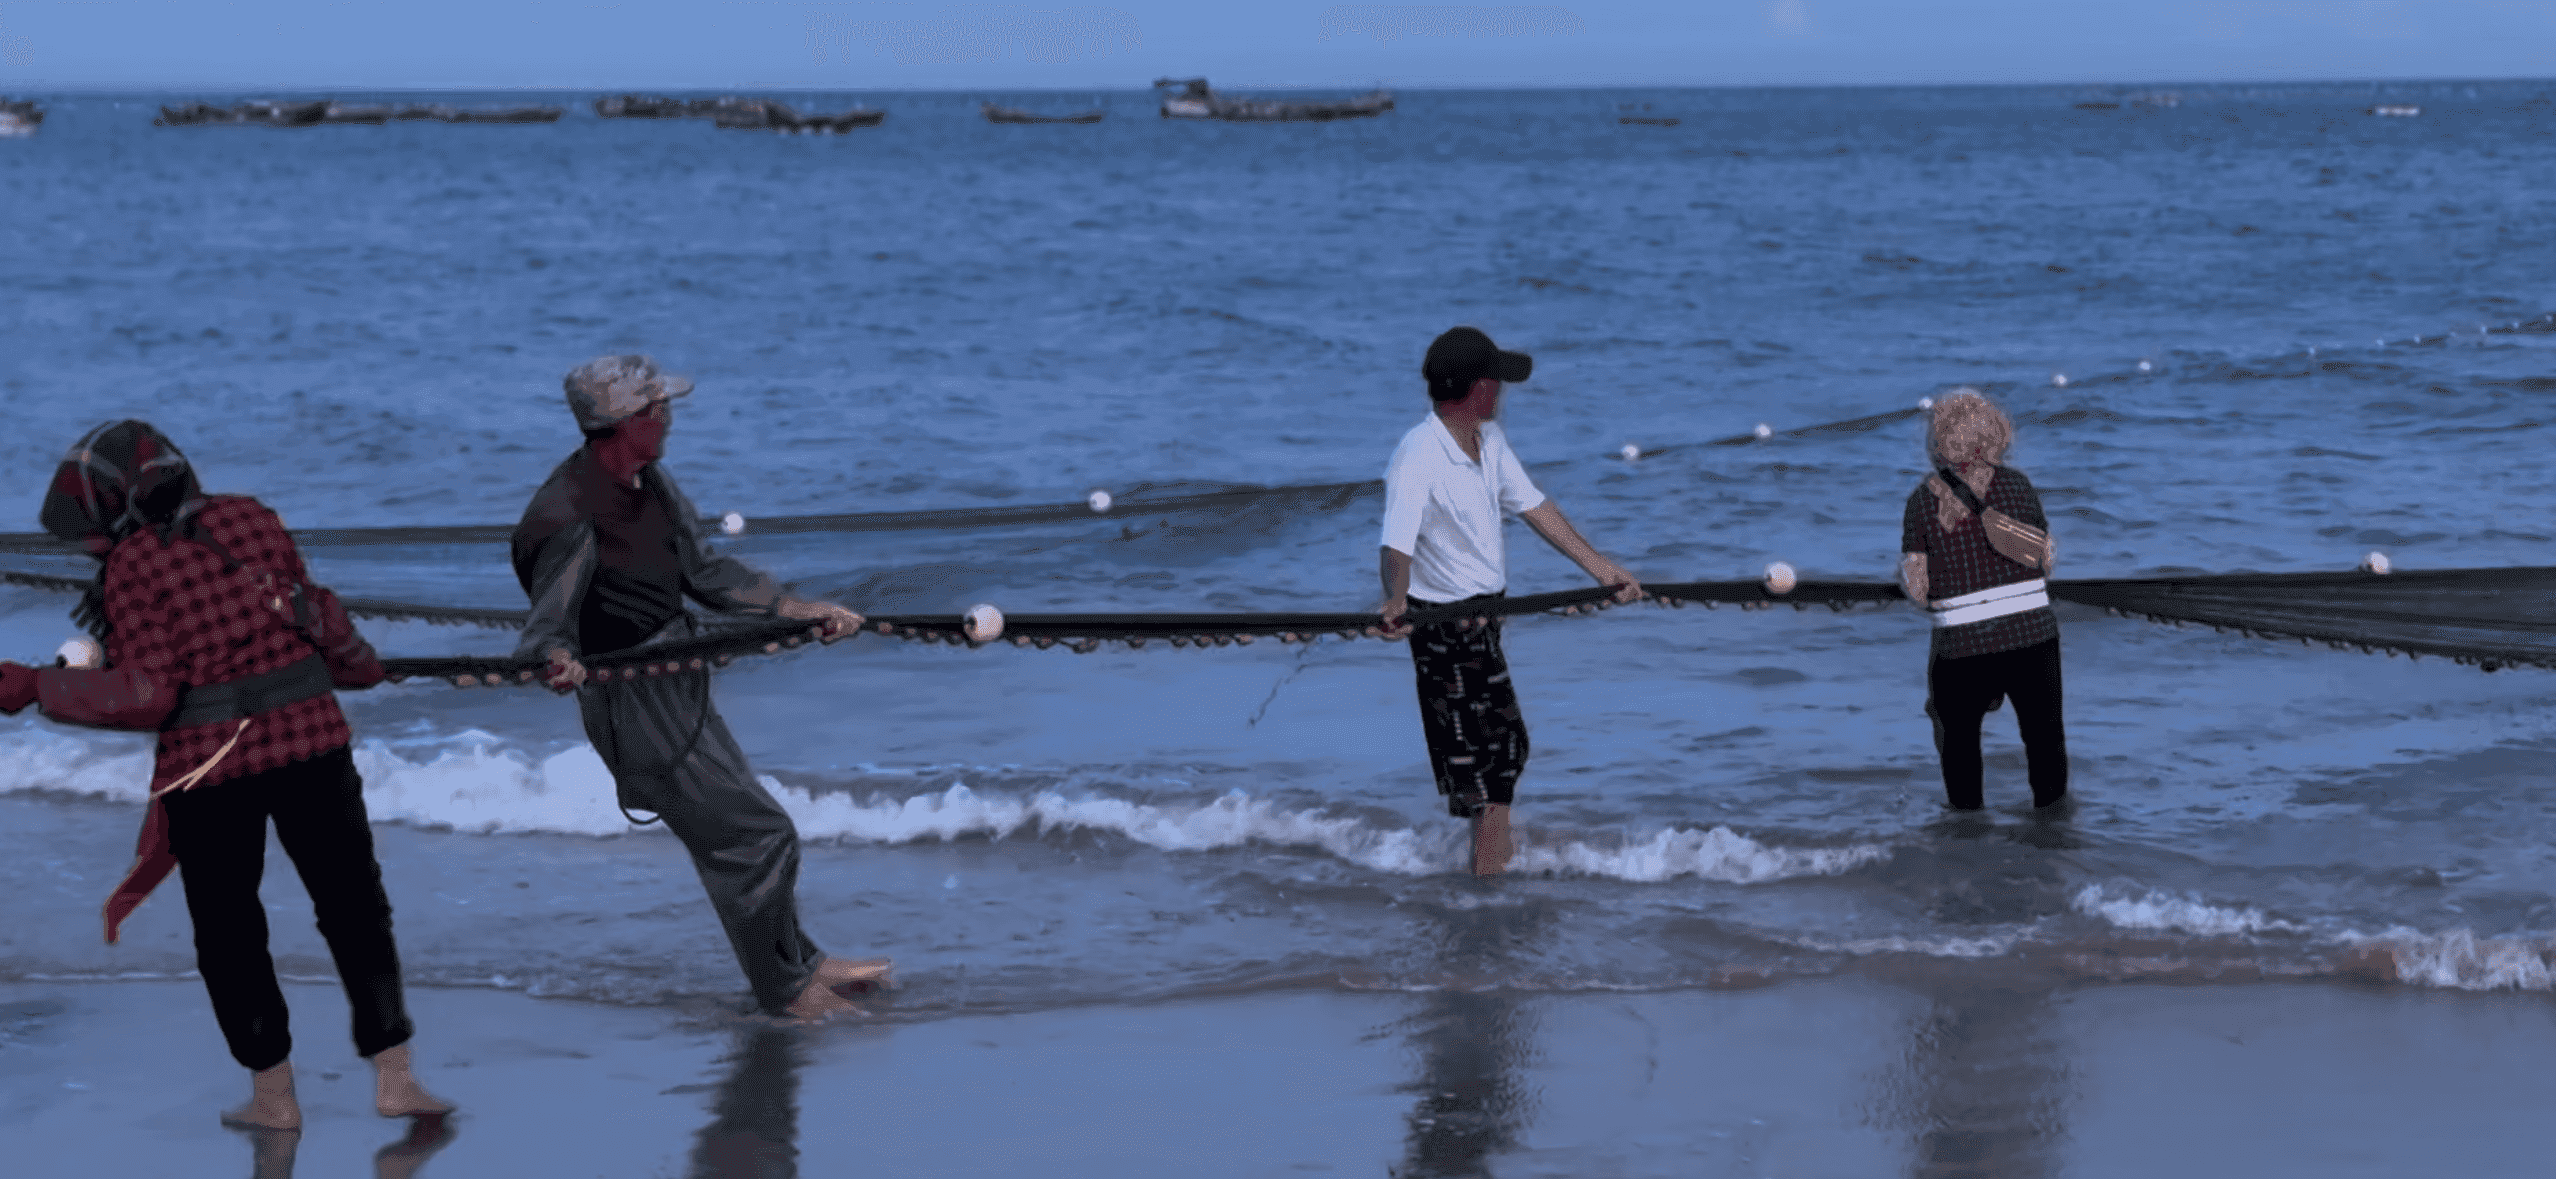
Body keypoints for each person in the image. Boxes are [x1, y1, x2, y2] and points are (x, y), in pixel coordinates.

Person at [0, 420, 447, 1131]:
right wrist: (363, 665)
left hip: (211, 767)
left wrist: (34, 687)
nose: (89, 544)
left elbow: (149, 695)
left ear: (116, 505)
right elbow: (316, 618)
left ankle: (275, 1101)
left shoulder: (132, 566)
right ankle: (397, 1079)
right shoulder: (251, 516)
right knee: (355, 907)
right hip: (312, 742)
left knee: (231, 931)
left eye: (91, 526)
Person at [512, 355, 890, 1021]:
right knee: (755, 836)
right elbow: (547, 627)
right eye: (660, 407)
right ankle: (786, 990)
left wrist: (792, 607)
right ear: (628, 421)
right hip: (632, 699)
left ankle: (796, 960)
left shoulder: (647, 480)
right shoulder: (570, 512)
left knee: (742, 827)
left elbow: (706, 571)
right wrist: (556, 657)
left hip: (676, 677)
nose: (669, 417)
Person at [1374, 327, 1643, 877]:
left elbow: (1534, 506)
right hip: (1443, 625)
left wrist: (1600, 569)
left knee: (1495, 753)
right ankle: (1487, 882)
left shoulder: (1488, 440)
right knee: (1492, 755)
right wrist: (1394, 602)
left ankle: (1487, 868)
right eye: (1494, 380)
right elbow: (1396, 541)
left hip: (1487, 616)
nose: (1501, 391)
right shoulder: (1419, 453)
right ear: (1473, 387)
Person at [1897, 390, 2066, 812]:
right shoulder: (2017, 486)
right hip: (2032, 637)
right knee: (2044, 740)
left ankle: (1966, 841)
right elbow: (2043, 561)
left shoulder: (1922, 500)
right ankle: (2054, 834)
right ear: (1996, 436)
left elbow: (1919, 591)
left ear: (1938, 443)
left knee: (1959, 746)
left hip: (1963, 647)